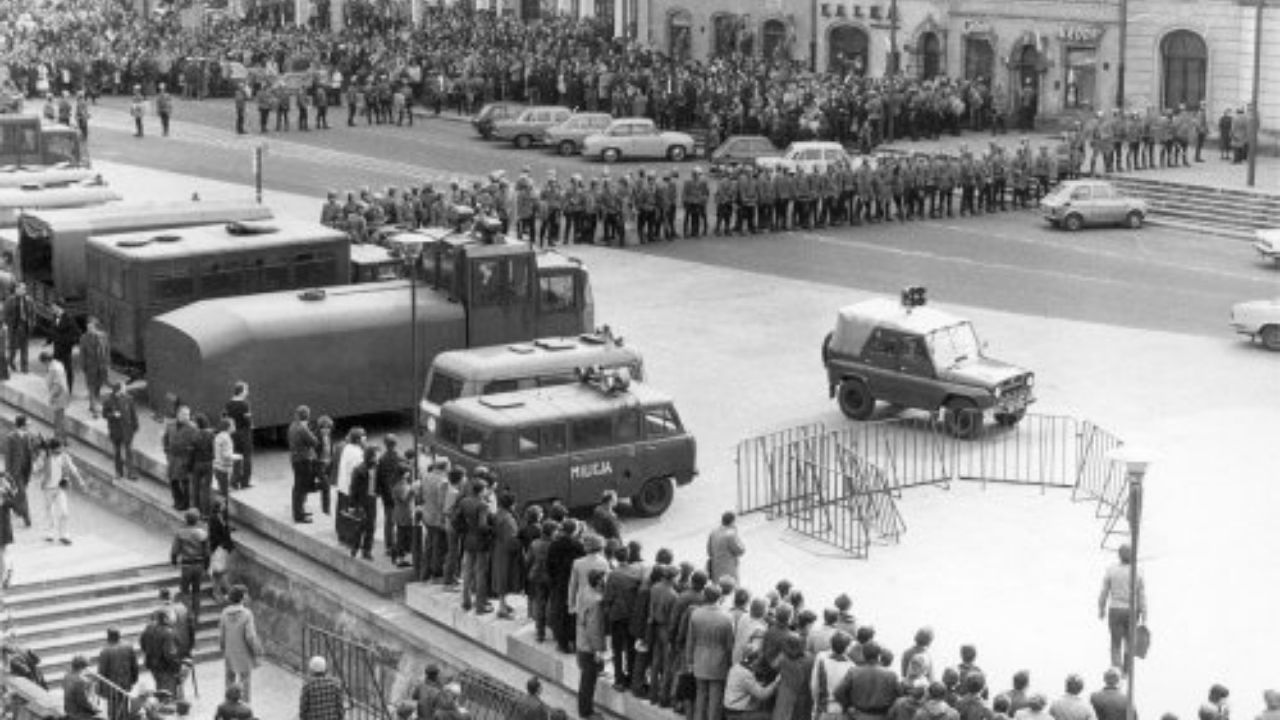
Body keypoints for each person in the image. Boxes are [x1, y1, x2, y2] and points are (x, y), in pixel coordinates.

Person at [686, 584, 734, 720]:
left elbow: (690, 640)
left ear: (704, 596)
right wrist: (730, 663)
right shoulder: (726, 618)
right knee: (715, 700)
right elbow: (729, 645)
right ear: (720, 597)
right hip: (719, 663)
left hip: (699, 660)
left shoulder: (696, 614)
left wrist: (689, 661)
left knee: (700, 697)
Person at [1098, 543, 1144, 672]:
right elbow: (1141, 595)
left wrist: (1101, 608)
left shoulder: (1111, 570)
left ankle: (1116, 671)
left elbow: (1104, 592)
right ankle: (1126, 671)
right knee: (1129, 643)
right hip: (1132, 611)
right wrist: (1144, 614)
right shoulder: (1137, 571)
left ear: (1119, 555)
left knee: (1115, 642)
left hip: (1116, 610)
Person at [219, 585, 263, 703]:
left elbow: (222, 635)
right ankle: (244, 707)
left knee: (229, 679)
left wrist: (223, 648)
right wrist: (256, 651)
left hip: (229, 651)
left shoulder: (224, 613)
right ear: (242, 597)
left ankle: (229, 705)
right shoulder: (247, 614)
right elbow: (250, 636)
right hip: (244, 652)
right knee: (245, 680)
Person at [458, 476, 494, 613]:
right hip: (480, 542)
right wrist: (492, 530)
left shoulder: (464, 501)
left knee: (467, 571)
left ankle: (466, 601)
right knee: (480, 573)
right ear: (481, 491)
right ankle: (480, 605)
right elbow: (483, 526)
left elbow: (457, 519)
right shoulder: (483, 505)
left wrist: (465, 530)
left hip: (468, 539)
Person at [38, 438, 84, 544]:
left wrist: (80, 480)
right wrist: (41, 458)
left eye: (61, 448)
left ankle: (64, 535)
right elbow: (36, 468)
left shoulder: (64, 457)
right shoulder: (45, 457)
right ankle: (49, 532)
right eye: (58, 449)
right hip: (47, 488)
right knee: (49, 511)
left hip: (60, 488)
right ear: (53, 449)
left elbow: (73, 468)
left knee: (64, 512)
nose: (60, 451)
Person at [575, 568, 607, 720]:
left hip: (581, 640)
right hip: (589, 646)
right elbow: (594, 628)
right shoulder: (596, 602)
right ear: (599, 581)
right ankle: (586, 712)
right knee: (589, 681)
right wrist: (598, 651)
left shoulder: (584, 591)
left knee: (585, 679)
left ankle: (584, 708)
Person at [170, 509, 209, 618]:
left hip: (186, 565)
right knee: (197, 591)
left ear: (186, 519)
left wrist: (174, 561)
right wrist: (206, 566)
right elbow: (207, 553)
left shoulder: (180, 533)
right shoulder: (203, 533)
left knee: (185, 590)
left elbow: (174, 550)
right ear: (197, 520)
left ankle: (187, 616)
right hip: (199, 565)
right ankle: (196, 615)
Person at [97, 626, 139, 720]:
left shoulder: (106, 651)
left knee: (113, 710)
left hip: (112, 686)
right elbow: (135, 665)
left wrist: (100, 689)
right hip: (125, 683)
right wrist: (134, 679)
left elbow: (102, 671)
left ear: (108, 637)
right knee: (124, 705)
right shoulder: (128, 646)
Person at [723, 648, 778, 719]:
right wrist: (776, 682)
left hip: (730, 709)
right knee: (769, 716)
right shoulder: (745, 674)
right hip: (738, 713)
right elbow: (763, 695)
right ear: (755, 661)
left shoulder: (736, 667)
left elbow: (746, 686)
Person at [139, 610, 182, 697]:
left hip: (152, 664)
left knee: (160, 686)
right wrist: (177, 666)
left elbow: (142, 644)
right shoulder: (168, 632)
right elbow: (170, 654)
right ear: (165, 619)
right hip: (165, 666)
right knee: (168, 692)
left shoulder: (148, 630)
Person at [288, 405, 319, 523]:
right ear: (307, 415)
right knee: (300, 487)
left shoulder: (292, 425)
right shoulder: (302, 428)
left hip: (295, 459)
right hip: (303, 460)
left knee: (298, 487)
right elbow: (314, 442)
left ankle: (300, 510)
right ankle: (299, 515)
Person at [163, 405, 197, 511]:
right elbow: (165, 438)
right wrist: (167, 451)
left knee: (184, 482)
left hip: (184, 458)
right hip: (172, 458)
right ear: (178, 414)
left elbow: (195, 444)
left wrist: (190, 458)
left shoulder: (192, 427)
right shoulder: (170, 425)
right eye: (184, 414)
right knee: (173, 481)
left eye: (188, 414)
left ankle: (185, 503)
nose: (187, 416)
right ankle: (177, 500)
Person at [103, 381, 139, 481]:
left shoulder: (129, 399)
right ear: (118, 390)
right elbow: (104, 414)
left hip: (127, 430)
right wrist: (113, 415)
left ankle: (131, 473)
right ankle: (119, 472)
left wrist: (135, 426)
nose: (125, 390)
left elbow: (133, 413)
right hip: (115, 431)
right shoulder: (108, 401)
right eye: (123, 388)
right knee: (117, 452)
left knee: (129, 451)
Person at [349, 447, 380, 560]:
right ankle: (355, 547)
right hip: (362, 502)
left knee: (371, 526)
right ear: (371, 457)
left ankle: (367, 550)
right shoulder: (359, 470)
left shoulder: (376, 467)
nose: (378, 457)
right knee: (360, 526)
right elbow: (353, 488)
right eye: (376, 455)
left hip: (372, 500)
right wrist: (353, 505)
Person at [6, 415, 35, 528]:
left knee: (20, 492)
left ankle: (15, 506)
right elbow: (8, 456)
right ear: (22, 425)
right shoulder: (11, 437)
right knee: (22, 493)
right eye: (27, 424)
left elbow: (30, 452)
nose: (29, 426)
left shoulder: (28, 436)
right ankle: (27, 518)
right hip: (15, 470)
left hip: (26, 470)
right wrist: (8, 472)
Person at [224, 382, 254, 489]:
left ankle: (234, 481)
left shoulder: (228, 404)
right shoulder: (244, 404)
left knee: (236, 457)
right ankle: (245, 482)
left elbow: (227, 419)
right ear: (241, 391)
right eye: (246, 390)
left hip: (233, 433)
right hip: (244, 433)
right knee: (247, 457)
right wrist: (251, 424)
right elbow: (248, 420)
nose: (247, 392)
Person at [79, 316, 110, 417]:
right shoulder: (84, 338)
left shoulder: (103, 336)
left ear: (96, 327)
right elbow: (82, 354)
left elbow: (107, 351)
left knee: (98, 386)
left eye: (91, 327)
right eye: (88, 328)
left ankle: (93, 403)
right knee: (91, 387)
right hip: (90, 367)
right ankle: (95, 408)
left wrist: (108, 364)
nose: (89, 330)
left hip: (101, 367)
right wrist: (83, 366)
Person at [48, 303, 80, 395]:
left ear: (59, 307)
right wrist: (49, 341)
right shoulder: (55, 317)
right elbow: (52, 330)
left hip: (65, 349)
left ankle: (69, 389)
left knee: (67, 369)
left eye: (53, 307)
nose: (52, 309)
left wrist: (69, 343)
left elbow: (77, 333)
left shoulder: (69, 319)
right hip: (57, 348)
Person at [3, 281, 34, 374]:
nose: (24, 290)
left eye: (25, 289)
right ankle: (11, 362)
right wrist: (9, 324)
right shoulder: (10, 300)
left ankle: (24, 367)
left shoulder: (29, 300)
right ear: (17, 289)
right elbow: (5, 314)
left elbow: (32, 313)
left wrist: (32, 323)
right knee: (13, 348)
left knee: (25, 348)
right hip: (14, 327)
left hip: (25, 326)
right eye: (22, 288)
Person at [707, 511, 745, 583]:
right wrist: (736, 534)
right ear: (732, 522)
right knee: (730, 588)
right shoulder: (730, 535)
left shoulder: (713, 532)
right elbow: (741, 550)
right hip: (729, 569)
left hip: (716, 568)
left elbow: (709, 551)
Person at [40, 350, 71, 442]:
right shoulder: (56, 365)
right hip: (60, 394)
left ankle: (59, 439)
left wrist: (50, 397)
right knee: (60, 417)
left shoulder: (55, 369)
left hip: (59, 396)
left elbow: (57, 385)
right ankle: (62, 438)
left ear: (46, 361)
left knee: (59, 419)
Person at [208, 499, 234, 602]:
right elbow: (215, 534)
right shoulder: (214, 518)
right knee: (218, 572)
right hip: (218, 548)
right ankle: (218, 592)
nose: (225, 505)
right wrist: (222, 544)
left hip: (221, 547)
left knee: (221, 571)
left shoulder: (219, 517)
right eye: (223, 504)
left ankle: (226, 590)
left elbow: (222, 529)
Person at [63, 655, 99, 720]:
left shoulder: (67, 676)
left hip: (68, 709)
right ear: (81, 667)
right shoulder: (80, 681)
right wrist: (93, 709)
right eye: (85, 667)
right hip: (77, 713)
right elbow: (82, 701)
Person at [0, 473, 16, 588]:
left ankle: (7, 575)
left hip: (4, 527)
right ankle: (8, 573)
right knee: (3, 553)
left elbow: (13, 503)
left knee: (4, 552)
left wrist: (6, 492)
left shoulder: (5, 482)